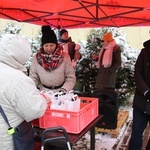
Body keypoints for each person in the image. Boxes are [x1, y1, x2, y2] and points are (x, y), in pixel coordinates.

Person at [0, 34, 50, 150]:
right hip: (9, 138)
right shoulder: (18, 79)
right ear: (22, 56)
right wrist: (44, 99)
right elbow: (34, 111)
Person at [29, 26, 76, 93]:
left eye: (51, 45)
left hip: (61, 92)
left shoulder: (64, 57)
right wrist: (31, 89)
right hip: (44, 92)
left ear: (56, 45)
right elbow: (33, 77)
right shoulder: (37, 58)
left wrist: (64, 90)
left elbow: (70, 77)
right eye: (46, 46)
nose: (49, 48)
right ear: (42, 46)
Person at [128, 39, 150, 150]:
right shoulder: (145, 52)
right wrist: (146, 91)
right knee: (136, 134)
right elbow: (137, 72)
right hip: (141, 102)